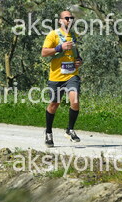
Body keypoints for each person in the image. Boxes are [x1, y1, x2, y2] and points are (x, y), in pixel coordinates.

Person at [41, 10, 83, 147]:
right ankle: (48, 132)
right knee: (54, 104)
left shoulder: (74, 35)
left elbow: (76, 54)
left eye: (71, 18)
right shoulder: (53, 34)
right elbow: (44, 52)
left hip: (71, 75)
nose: (69, 20)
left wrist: (79, 61)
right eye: (66, 18)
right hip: (56, 76)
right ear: (60, 20)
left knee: (75, 100)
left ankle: (70, 130)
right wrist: (60, 47)